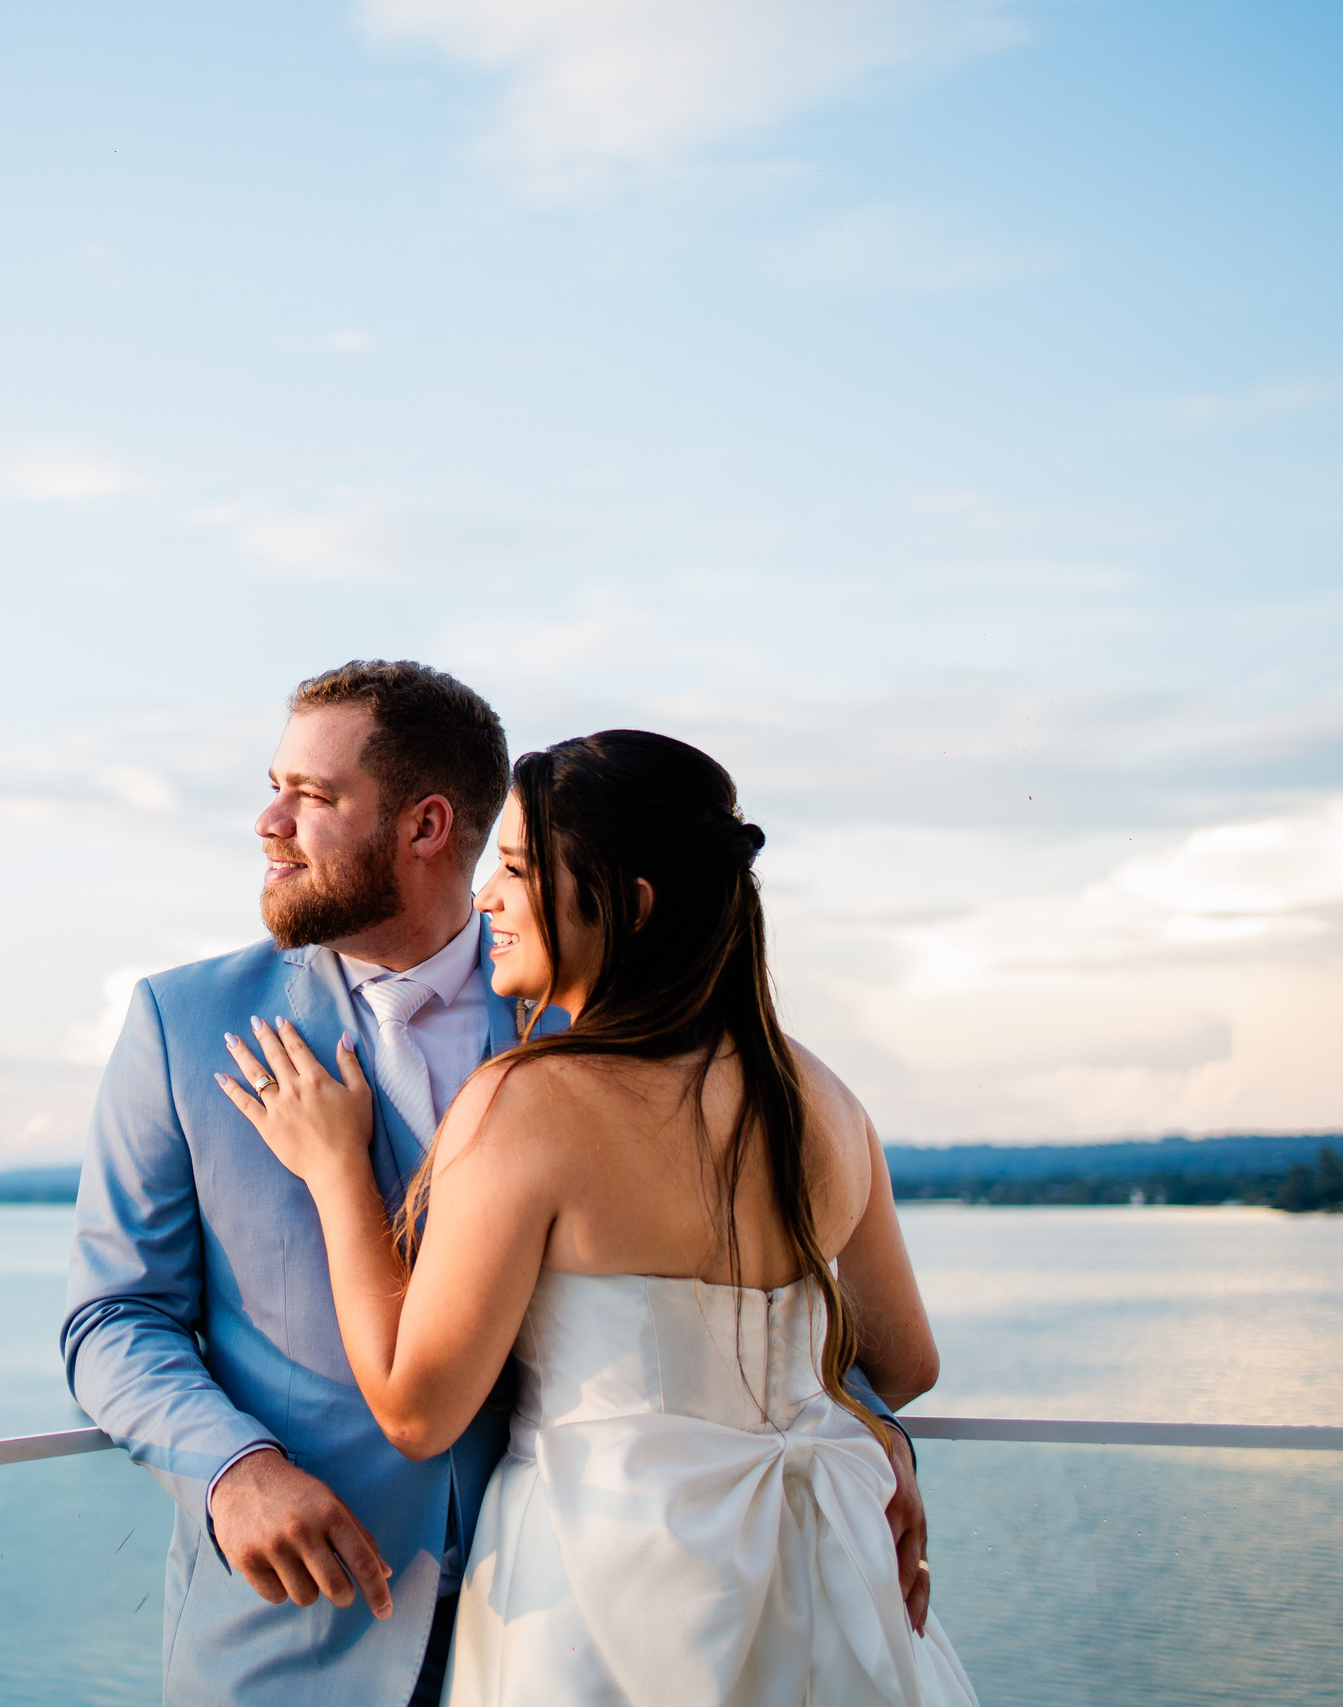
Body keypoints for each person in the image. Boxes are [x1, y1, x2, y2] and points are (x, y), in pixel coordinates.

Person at [61, 665, 934, 1707]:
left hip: (569, 1612)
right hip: (296, 1634)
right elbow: (113, 1316)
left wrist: (853, 1423)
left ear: (427, 823)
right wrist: (228, 1469)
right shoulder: (181, 1025)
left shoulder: (607, 1031)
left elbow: (754, 1284)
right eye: (274, 786)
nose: (269, 822)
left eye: (314, 795)